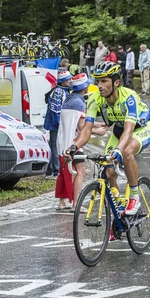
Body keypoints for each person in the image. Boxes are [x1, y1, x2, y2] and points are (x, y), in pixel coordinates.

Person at [65, 61, 150, 220]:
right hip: (119, 131)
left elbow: (129, 130)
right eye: (98, 81)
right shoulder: (94, 98)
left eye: (104, 81)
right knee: (108, 169)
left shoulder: (129, 97)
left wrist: (118, 150)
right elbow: (86, 129)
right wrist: (74, 147)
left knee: (126, 152)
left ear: (116, 82)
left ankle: (134, 198)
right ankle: (118, 207)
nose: (99, 85)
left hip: (139, 129)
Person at [55, 73, 107, 211]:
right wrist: (97, 131)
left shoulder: (68, 100)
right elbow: (81, 126)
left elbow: (79, 120)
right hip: (74, 143)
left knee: (63, 172)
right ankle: (76, 204)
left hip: (62, 142)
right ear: (84, 88)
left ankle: (62, 202)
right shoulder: (80, 103)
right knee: (81, 171)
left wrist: (97, 124)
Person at [44, 70, 72, 179]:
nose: (70, 81)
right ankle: (56, 171)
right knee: (55, 147)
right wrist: (60, 124)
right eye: (68, 79)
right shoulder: (59, 92)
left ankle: (50, 170)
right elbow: (56, 110)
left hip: (55, 124)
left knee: (54, 146)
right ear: (63, 81)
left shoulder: (62, 90)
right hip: (56, 124)